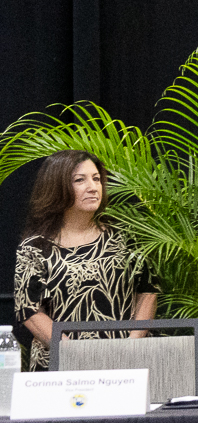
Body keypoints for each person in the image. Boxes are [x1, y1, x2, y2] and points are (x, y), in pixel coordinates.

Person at [13, 150, 160, 371]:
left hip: (125, 362)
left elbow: (148, 291)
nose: (93, 187)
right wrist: (75, 354)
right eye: (80, 180)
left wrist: (132, 344)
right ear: (57, 187)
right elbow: (29, 311)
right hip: (61, 365)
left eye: (96, 179)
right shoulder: (35, 247)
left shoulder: (127, 237)